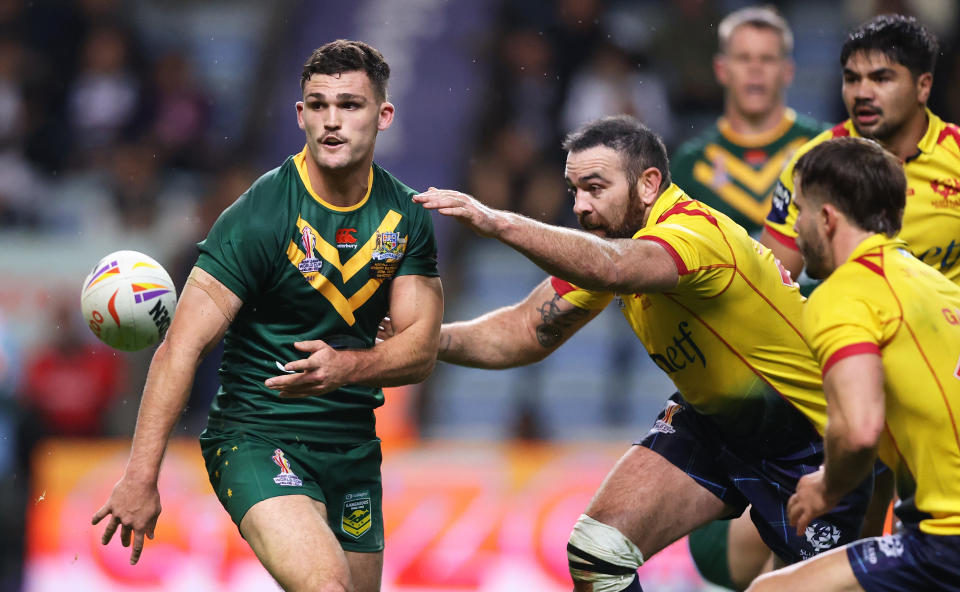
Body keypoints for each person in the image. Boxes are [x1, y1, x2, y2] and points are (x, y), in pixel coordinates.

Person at [414, 114, 871, 592]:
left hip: (808, 440)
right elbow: (525, 329)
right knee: (598, 553)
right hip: (713, 421)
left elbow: (612, 270)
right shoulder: (614, 245)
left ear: (649, 184)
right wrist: (424, 339)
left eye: (595, 187)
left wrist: (496, 221)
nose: (582, 207)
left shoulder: (692, 233)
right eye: (575, 191)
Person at [91, 40, 444, 592]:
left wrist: (348, 368)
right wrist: (140, 477)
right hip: (256, 437)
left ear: (384, 115)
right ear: (299, 115)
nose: (332, 121)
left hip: (351, 448)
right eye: (317, 105)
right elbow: (180, 347)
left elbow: (421, 350)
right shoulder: (260, 215)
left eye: (350, 105)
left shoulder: (407, 217)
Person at [746, 137, 960, 591]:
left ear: (826, 219)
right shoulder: (937, 286)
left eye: (800, 211)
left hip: (947, 538)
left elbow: (860, 429)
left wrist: (826, 486)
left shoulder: (844, 294)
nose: (796, 227)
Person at [761, 14, 960, 286]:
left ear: (923, 86)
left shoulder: (956, 154)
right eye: (852, 79)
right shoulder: (812, 165)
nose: (862, 93)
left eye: (881, 79)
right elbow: (771, 288)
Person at [672, 6, 823, 238]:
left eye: (767, 59)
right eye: (743, 58)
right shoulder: (688, 165)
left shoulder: (824, 146)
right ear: (721, 69)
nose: (755, 69)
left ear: (787, 71)